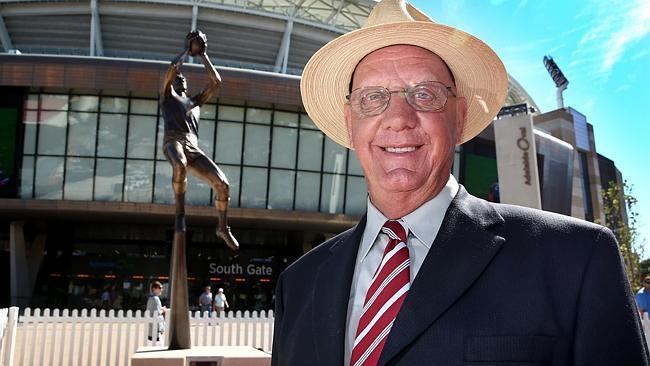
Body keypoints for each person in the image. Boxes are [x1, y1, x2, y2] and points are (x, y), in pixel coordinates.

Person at [271, 0, 649, 365]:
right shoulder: (299, 285)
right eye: (372, 98)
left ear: (460, 117)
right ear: (350, 123)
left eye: (425, 94)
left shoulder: (576, 259)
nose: (399, 118)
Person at [161, 30, 239, 250]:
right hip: (173, 141)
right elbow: (172, 69)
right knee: (180, 165)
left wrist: (203, 54)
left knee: (223, 184)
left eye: (183, 79)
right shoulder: (167, 97)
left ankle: (222, 227)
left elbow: (216, 82)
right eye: (177, 79)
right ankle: (180, 214)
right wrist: (187, 50)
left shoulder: (194, 103)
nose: (181, 79)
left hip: (192, 146)